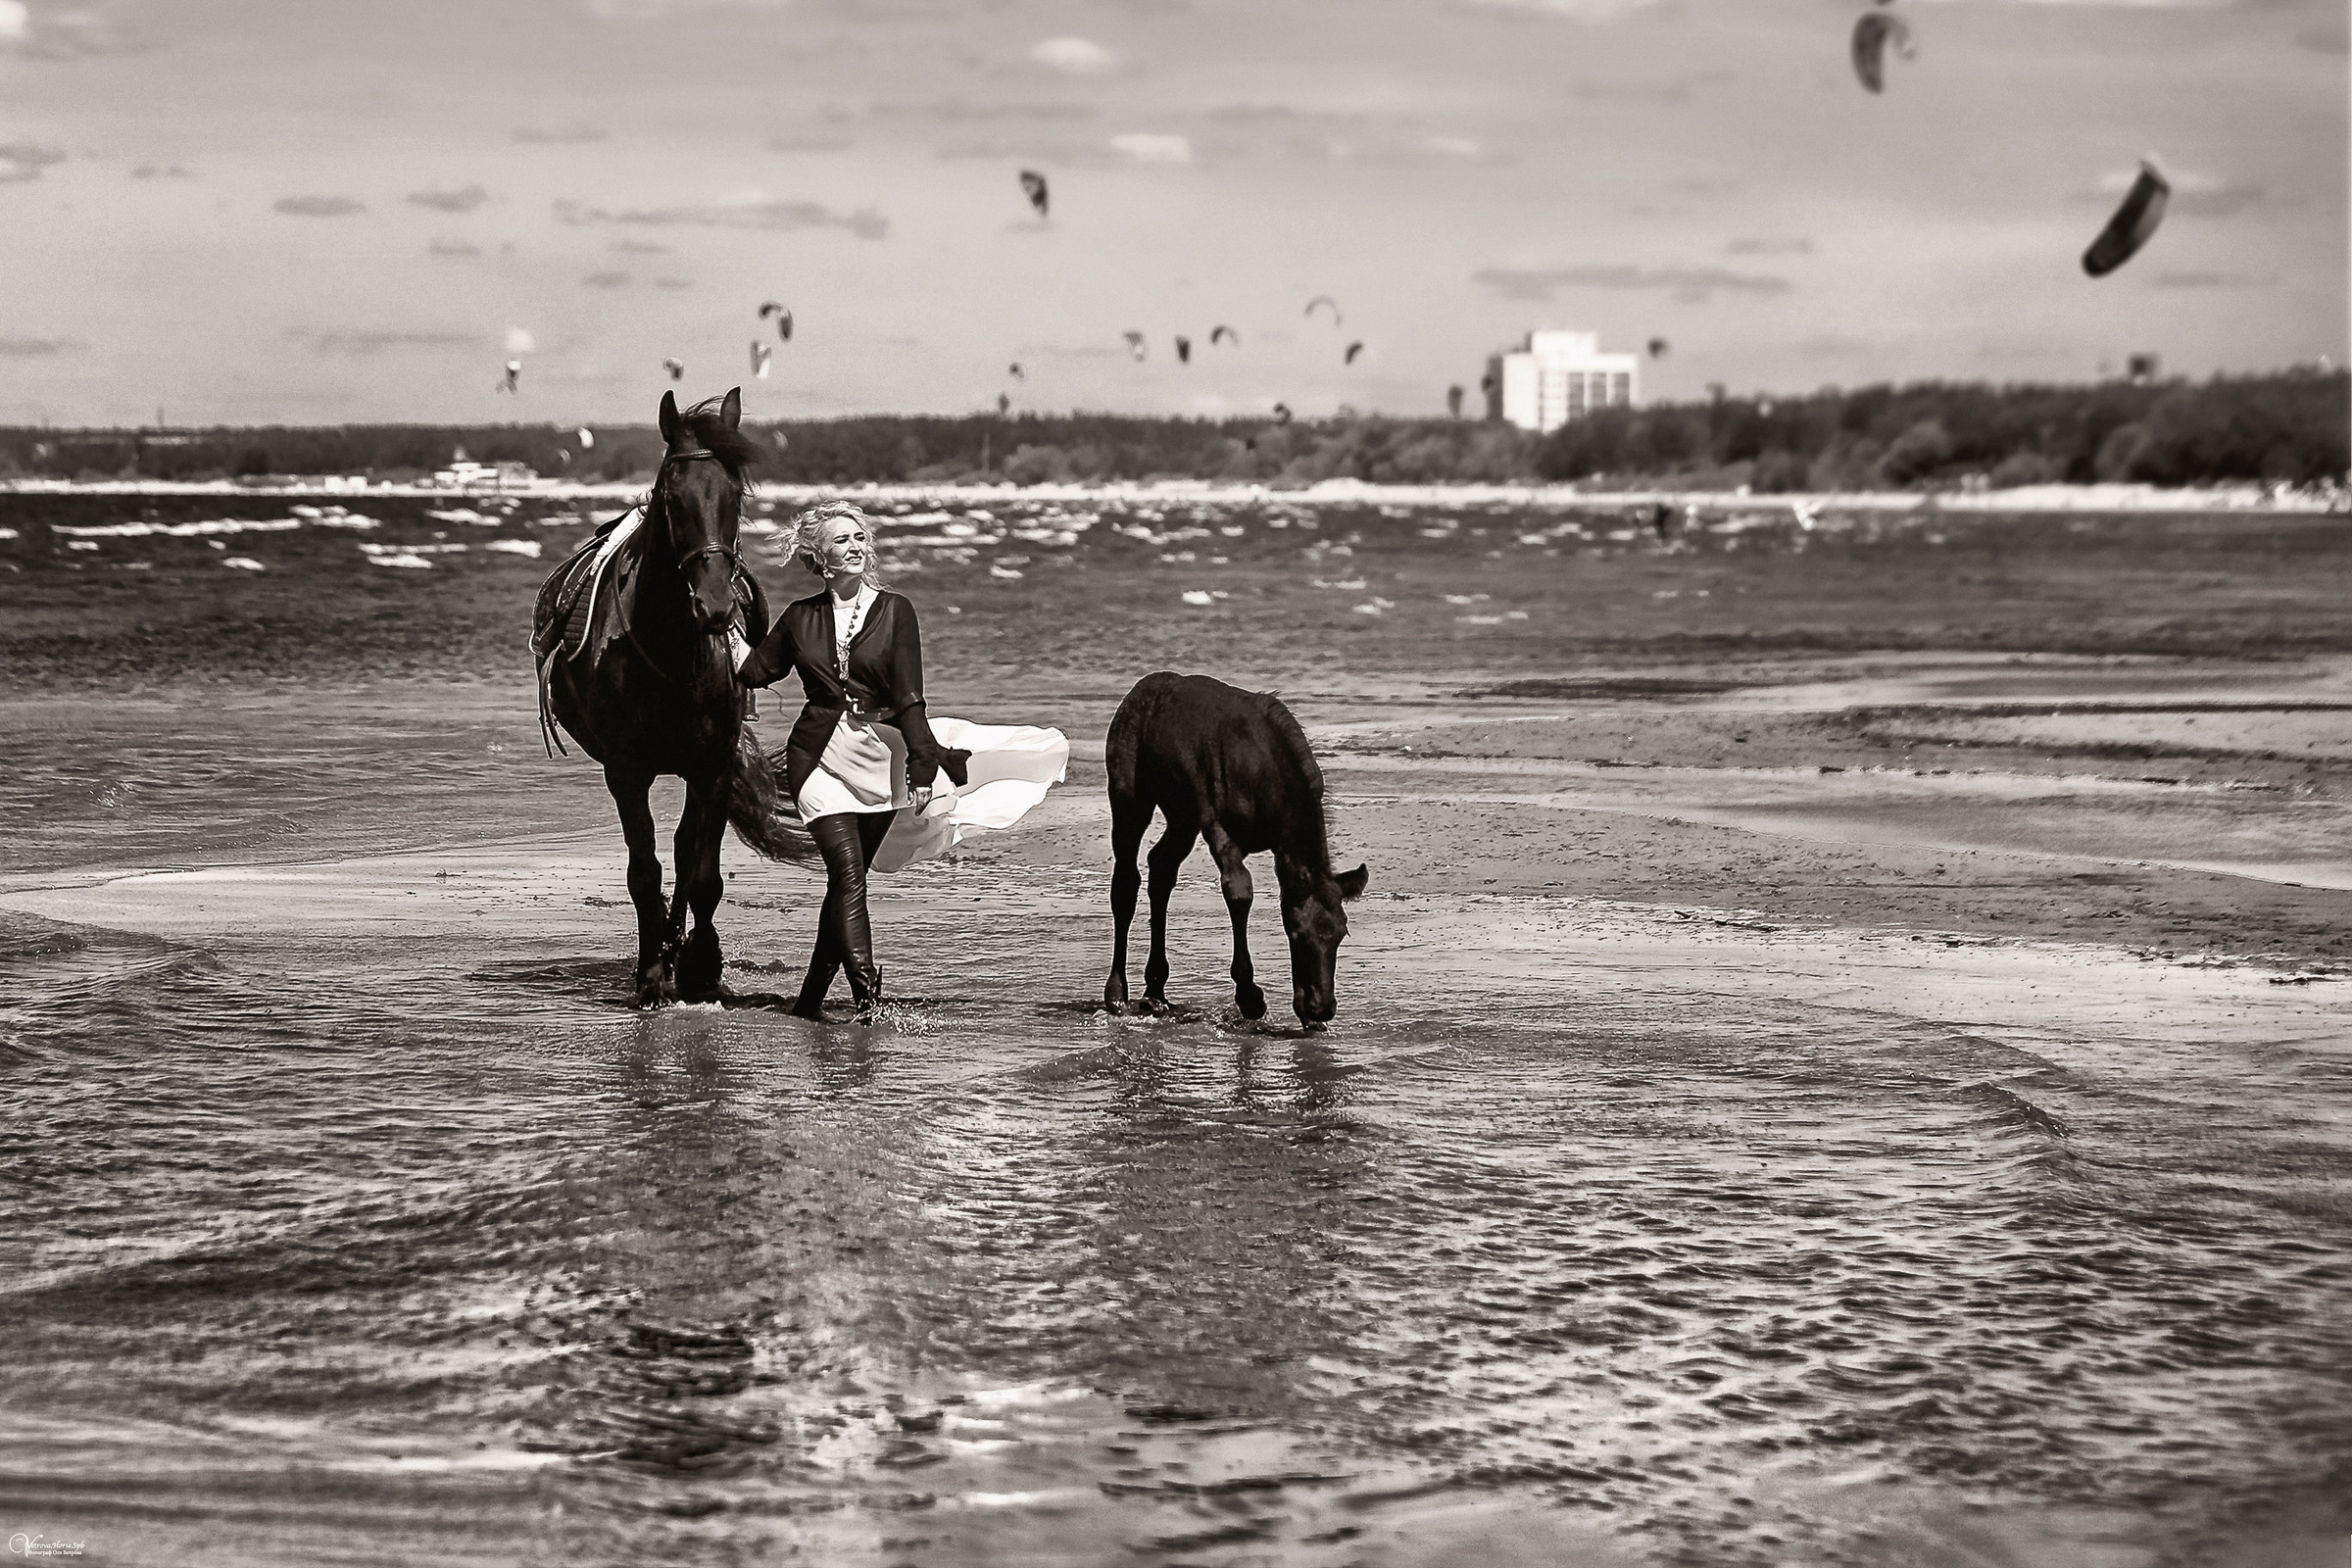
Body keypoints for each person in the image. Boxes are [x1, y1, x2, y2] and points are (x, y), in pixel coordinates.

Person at [728, 501, 1067, 1020]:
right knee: (846, 871)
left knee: (848, 880)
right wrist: (722, 631)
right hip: (818, 758)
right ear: (819, 556)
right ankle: (869, 1002)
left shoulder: (896, 610)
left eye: (860, 536)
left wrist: (923, 766)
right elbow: (757, 670)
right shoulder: (801, 617)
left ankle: (810, 1003)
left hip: (882, 758)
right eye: (842, 540)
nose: (857, 546)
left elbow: (910, 697)